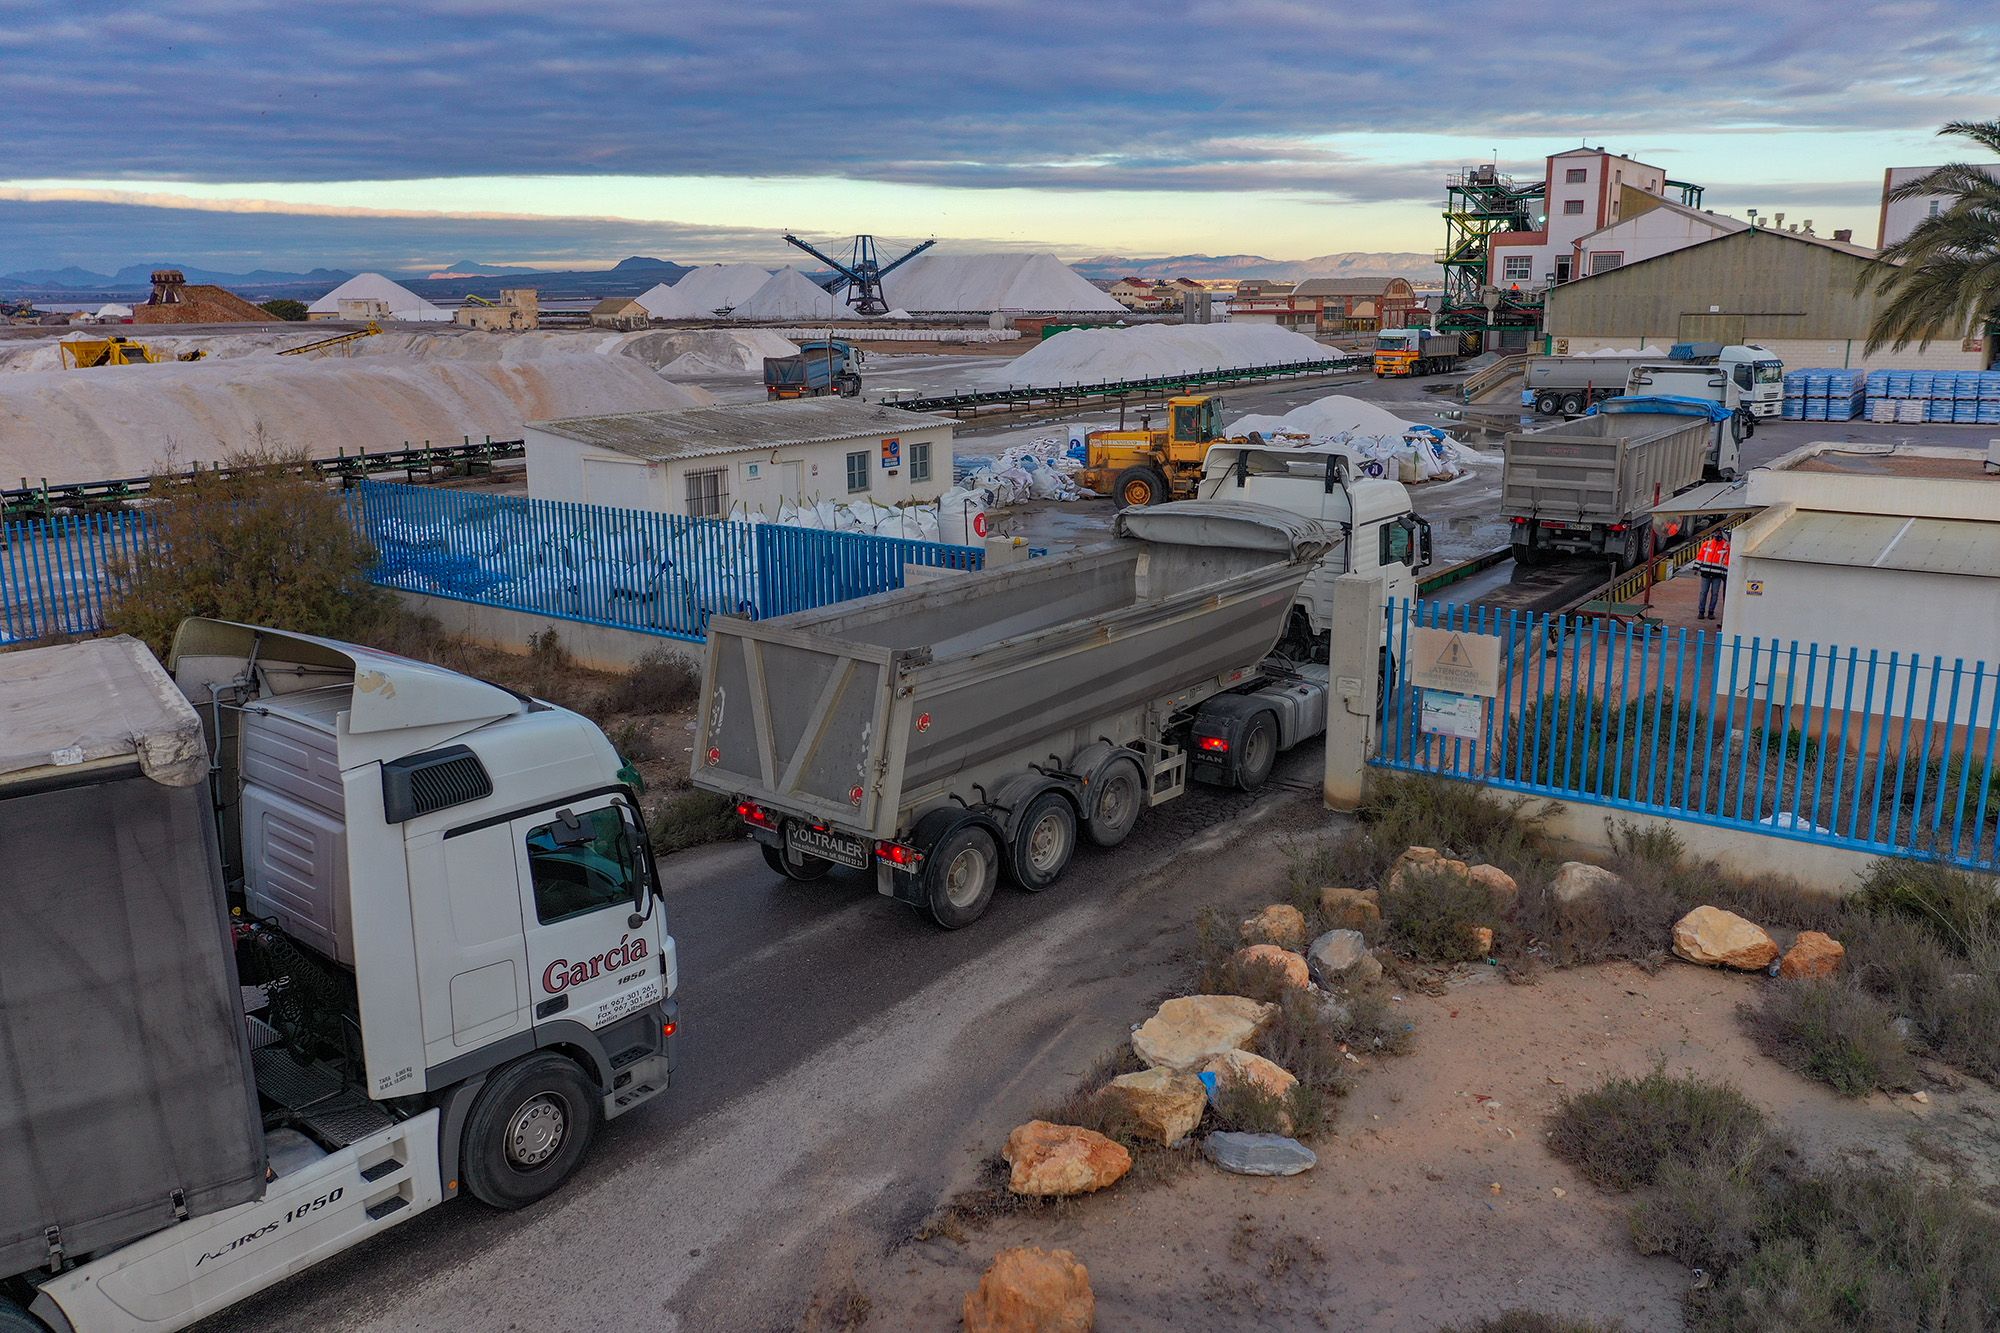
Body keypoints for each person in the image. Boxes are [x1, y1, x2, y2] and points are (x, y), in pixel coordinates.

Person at [1692, 530, 1731, 621]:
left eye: (1719, 534)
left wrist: (1724, 573)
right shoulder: (1707, 544)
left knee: (1714, 594)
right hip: (1706, 573)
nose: (1717, 535)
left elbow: (1727, 560)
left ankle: (1711, 612)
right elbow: (1700, 556)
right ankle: (1701, 612)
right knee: (1703, 593)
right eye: (1716, 533)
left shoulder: (1726, 547)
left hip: (1717, 575)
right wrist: (1696, 568)